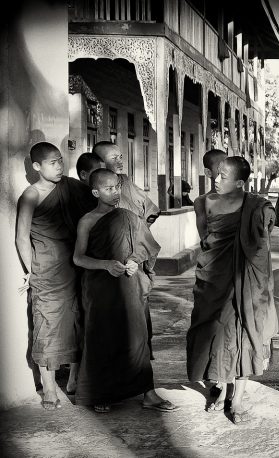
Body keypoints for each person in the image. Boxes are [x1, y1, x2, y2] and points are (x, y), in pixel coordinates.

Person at [73, 169, 176, 414]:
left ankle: (148, 393)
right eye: (108, 189)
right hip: (100, 288)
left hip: (129, 284)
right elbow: (78, 258)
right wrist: (105, 265)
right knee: (103, 338)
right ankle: (103, 393)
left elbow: (147, 246)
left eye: (117, 187)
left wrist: (133, 260)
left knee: (137, 337)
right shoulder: (87, 220)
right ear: (96, 192)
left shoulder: (129, 216)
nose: (115, 192)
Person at [187, 156, 277, 424]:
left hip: (244, 282)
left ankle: (237, 398)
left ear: (240, 182)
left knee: (242, 334)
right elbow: (206, 238)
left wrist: (267, 213)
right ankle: (218, 386)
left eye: (223, 176)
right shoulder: (203, 202)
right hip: (213, 278)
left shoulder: (255, 205)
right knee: (212, 334)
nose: (216, 179)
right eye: (217, 174)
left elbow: (266, 226)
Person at [15, 142, 96, 410]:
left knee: (79, 321)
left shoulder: (71, 187)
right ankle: (49, 387)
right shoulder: (31, 195)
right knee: (46, 326)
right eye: (52, 162)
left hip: (76, 265)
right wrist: (30, 270)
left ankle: (73, 379)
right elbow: (22, 238)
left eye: (61, 161)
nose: (59, 166)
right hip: (47, 272)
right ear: (37, 166)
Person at [93, 141, 160, 226]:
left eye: (120, 157)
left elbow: (152, 211)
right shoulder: (93, 186)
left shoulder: (125, 181)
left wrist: (142, 230)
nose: (120, 161)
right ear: (100, 162)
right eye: (114, 158)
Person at [193, 149, 228, 241]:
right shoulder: (201, 202)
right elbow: (204, 238)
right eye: (221, 169)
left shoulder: (243, 198)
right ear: (208, 172)